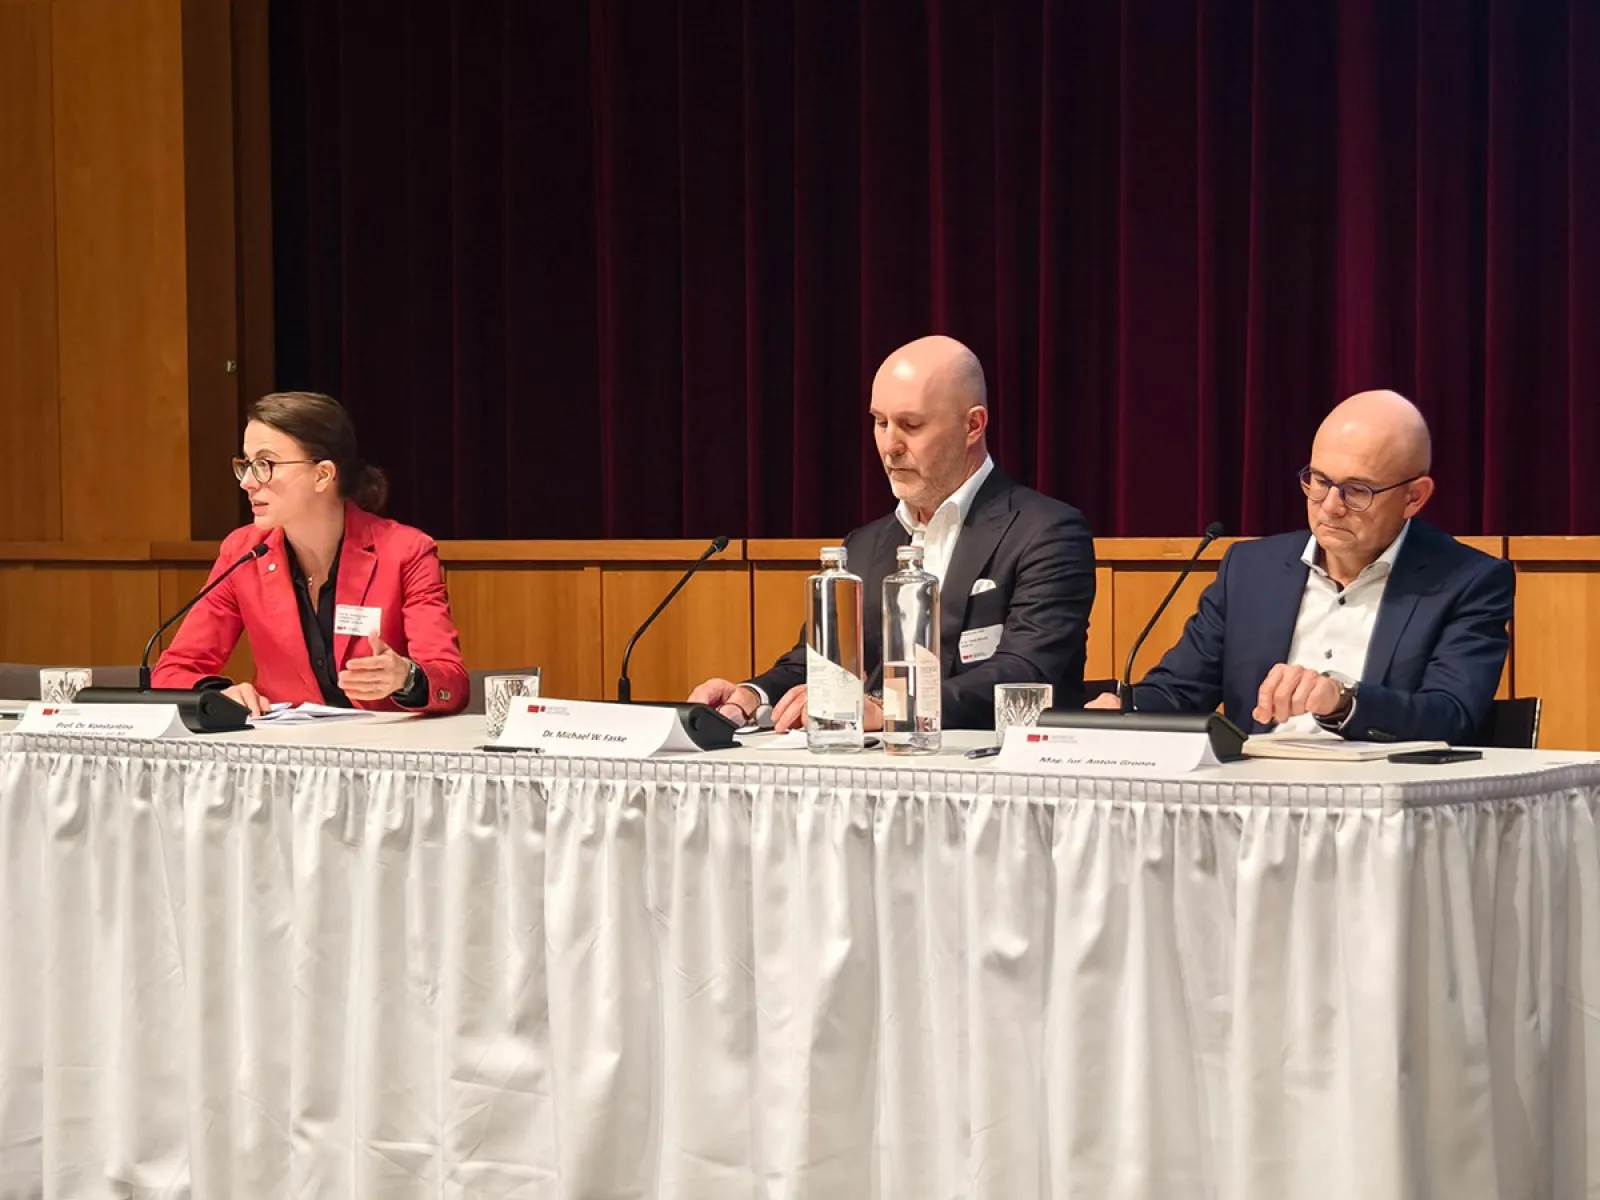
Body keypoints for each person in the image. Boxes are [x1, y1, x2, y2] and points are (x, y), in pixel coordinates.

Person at [690, 335, 1096, 730]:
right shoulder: (864, 545)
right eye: (880, 422)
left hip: (995, 764)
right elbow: (817, 664)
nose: (889, 446)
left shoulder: (1046, 532)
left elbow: (1024, 671)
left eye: (911, 425)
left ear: (973, 425)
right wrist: (751, 696)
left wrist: (890, 709)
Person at [1088, 390, 1513, 743]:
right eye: (1320, 481)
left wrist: (1342, 701)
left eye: (1357, 491)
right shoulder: (1250, 570)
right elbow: (1181, 690)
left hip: (1378, 802)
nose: (1330, 506)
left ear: (1414, 497)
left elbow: (1451, 716)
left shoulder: (1467, 581)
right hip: (1251, 800)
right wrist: (1126, 710)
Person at [154, 391, 470, 716]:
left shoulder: (405, 551)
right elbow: (174, 670)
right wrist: (217, 693)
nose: (247, 482)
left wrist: (406, 677)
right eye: (246, 465)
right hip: (284, 744)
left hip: (383, 744)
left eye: (264, 464)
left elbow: (452, 684)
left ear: (322, 475)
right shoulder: (243, 552)